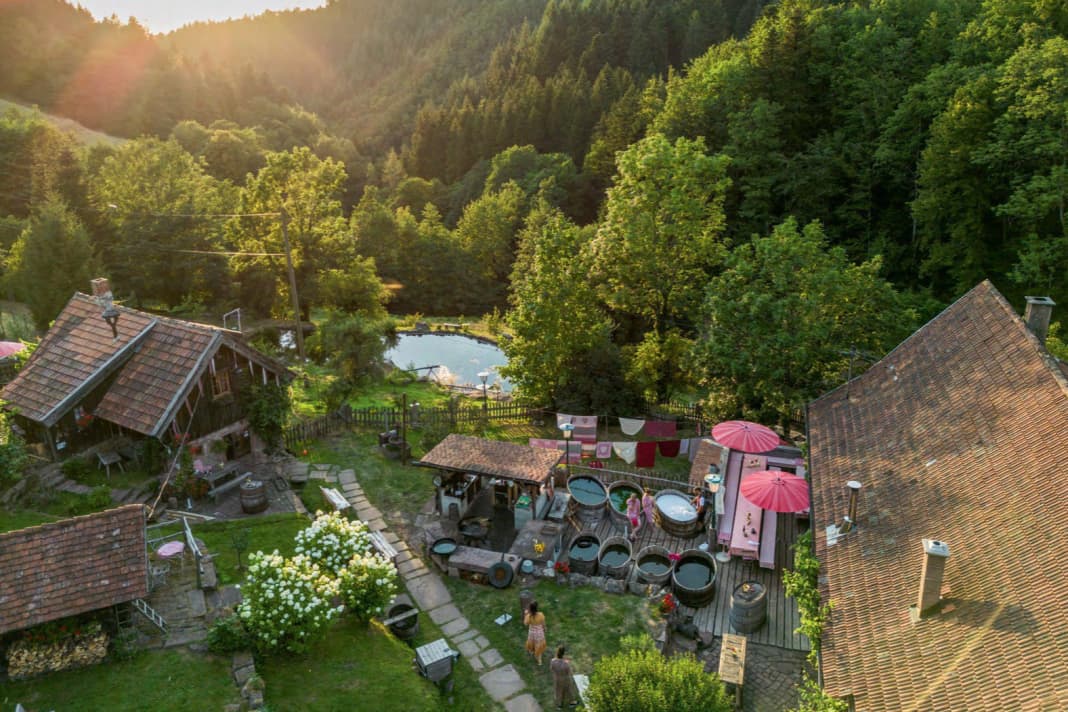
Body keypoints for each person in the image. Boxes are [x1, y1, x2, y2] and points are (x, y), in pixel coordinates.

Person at [524, 600, 547, 665]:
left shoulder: (529, 616)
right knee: (538, 645)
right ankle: (539, 660)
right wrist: (545, 629)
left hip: (532, 633)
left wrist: (525, 614)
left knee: (532, 643)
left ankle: (532, 651)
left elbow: (525, 624)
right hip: (539, 633)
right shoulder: (541, 615)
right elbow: (543, 624)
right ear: (537, 607)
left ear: (530, 609)